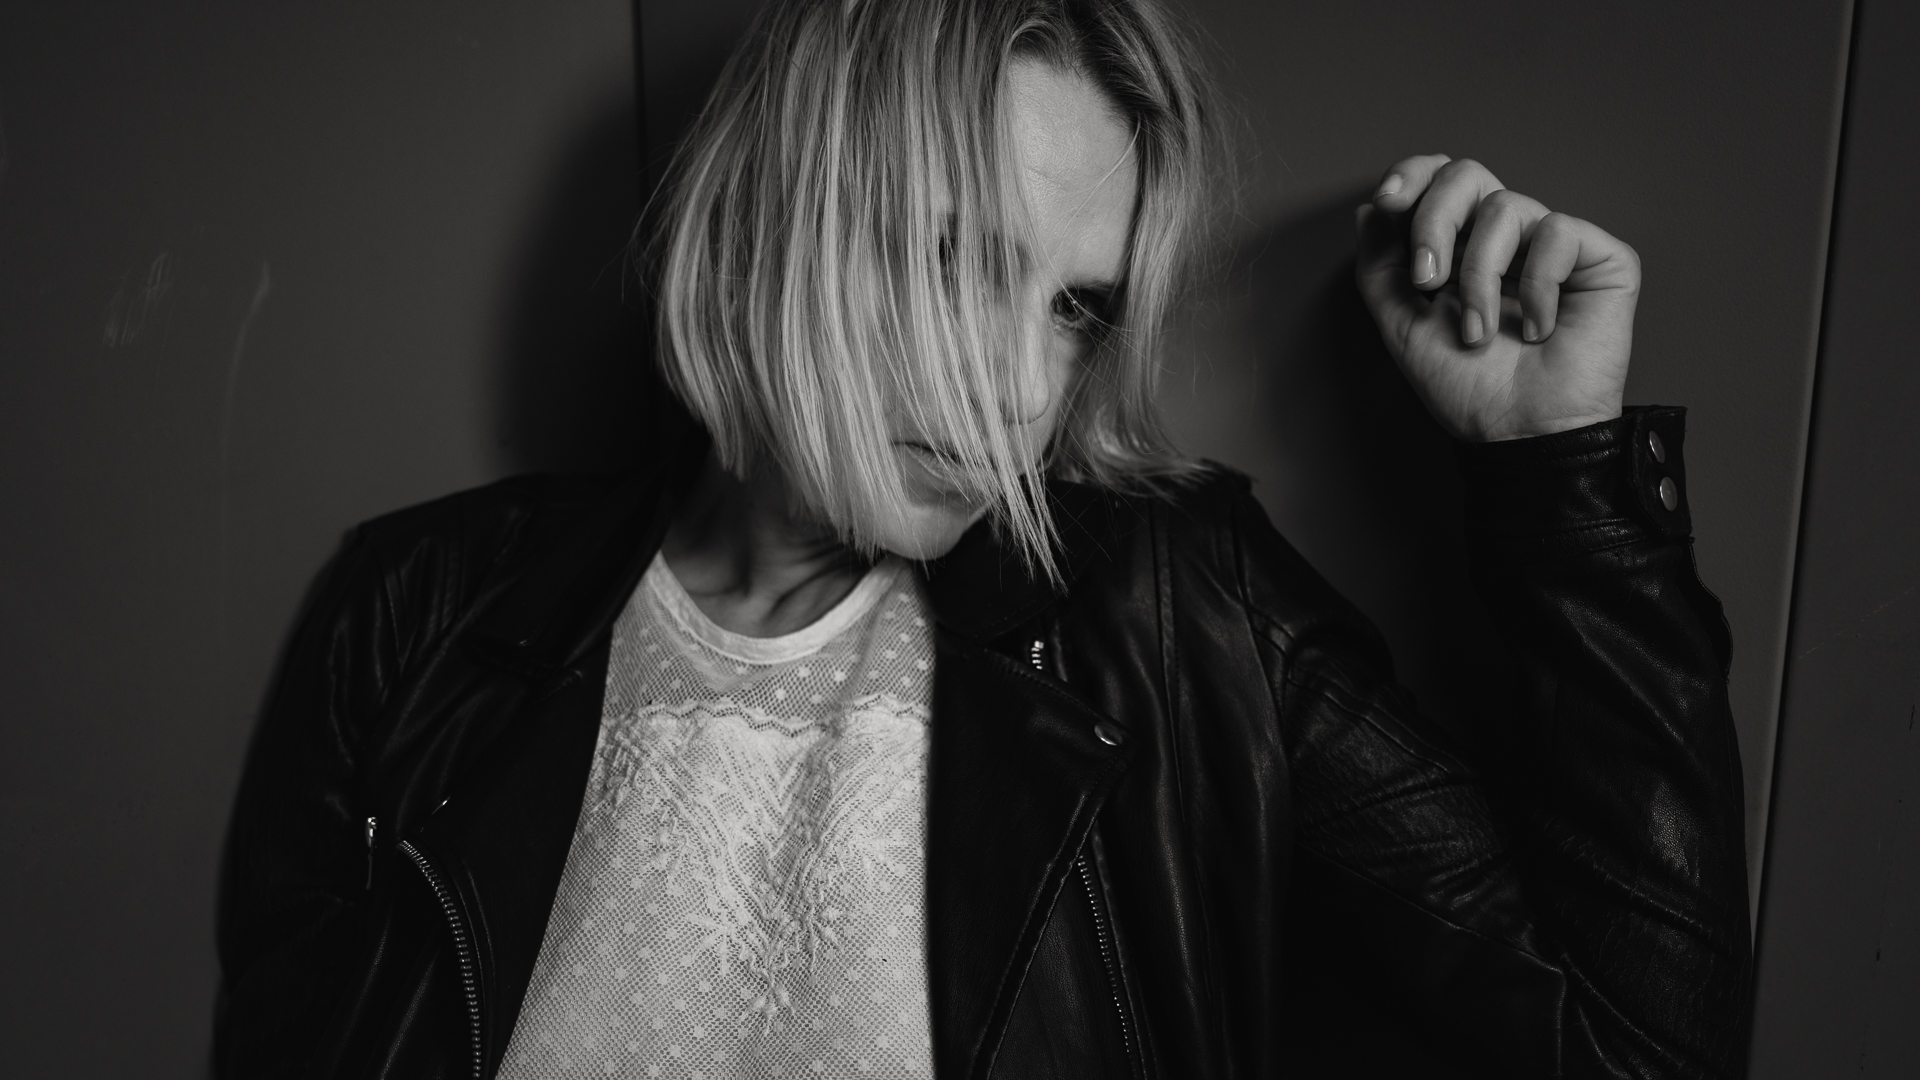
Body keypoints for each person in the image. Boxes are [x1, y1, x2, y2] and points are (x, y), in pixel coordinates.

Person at [213, 0, 1753, 1076]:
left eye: (1077, 306)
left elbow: (1639, 1054)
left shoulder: (1181, 613)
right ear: (773, 212)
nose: (1019, 387)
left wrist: (1561, 477)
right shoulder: (417, 614)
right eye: (953, 259)